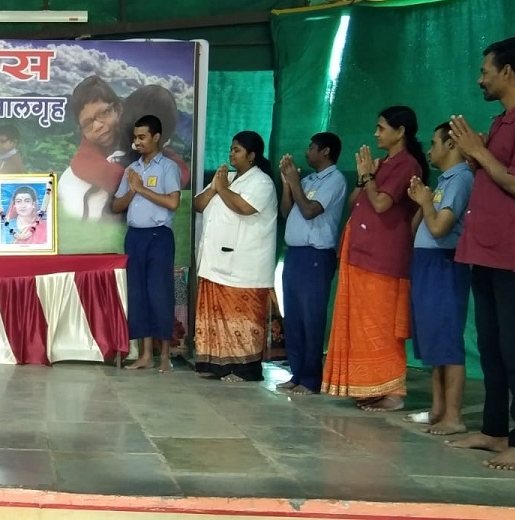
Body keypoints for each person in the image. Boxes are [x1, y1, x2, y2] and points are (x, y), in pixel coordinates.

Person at [446, 37, 515, 471]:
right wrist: (477, 157)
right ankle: (494, 431)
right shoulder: (502, 121)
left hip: (514, 253)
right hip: (485, 249)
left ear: (508, 72)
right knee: (489, 345)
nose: (480, 79)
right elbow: (495, 174)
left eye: (485, 71)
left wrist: (479, 153)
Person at [322, 106, 428, 412]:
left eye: (381, 128)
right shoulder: (385, 164)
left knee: (381, 326)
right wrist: (364, 178)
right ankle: (369, 386)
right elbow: (356, 202)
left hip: (384, 259)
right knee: (359, 324)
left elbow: (381, 204)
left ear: (401, 131)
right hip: (361, 253)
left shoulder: (407, 165)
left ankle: (392, 392)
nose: (376, 133)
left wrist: (370, 176)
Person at [191, 131, 278, 382]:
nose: (231, 154)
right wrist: (215, 188)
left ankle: (244, 370)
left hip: (244, 268)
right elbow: (198, 204)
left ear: (252, 156)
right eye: (231, 148)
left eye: (237, 150)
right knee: (215, 317)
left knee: (242, 319)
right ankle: (215, 365)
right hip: (214, 263)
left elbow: (244, 207)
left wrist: (221, 189)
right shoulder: (226, 178)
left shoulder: (261, 182)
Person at [405, 122, 474, 436]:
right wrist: (422, 201)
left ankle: (454, 416)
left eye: (434, 143)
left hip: (444, 264)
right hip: (425, 262)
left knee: (447, 339)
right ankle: (437, 410)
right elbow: (417, 229)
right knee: (433, 338)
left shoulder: (461, 179)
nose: (429, 149)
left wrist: (425, 202)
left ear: (451, 145)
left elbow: (439, 228)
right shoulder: (443, 182)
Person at [276, 133, 347, 395]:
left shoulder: (335, 180)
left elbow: (309, 210)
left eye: (311, 147)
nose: (307, 152)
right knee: (293, 318)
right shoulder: (307, 180)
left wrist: (295, 182)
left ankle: (311, 379)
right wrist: (287, 184)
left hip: (315, 256)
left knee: (311, 318)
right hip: (295, 255)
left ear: (325, 151)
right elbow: (287, 211)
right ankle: (297, 373)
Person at [111, 115, 182, 371]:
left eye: (142, 137)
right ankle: (145, 355)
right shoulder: (132, 170)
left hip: (159, 237)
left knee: (159, 294)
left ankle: (164, 358)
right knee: (138, 295)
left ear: (156, 137)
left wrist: (141, 189)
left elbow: (173, 202)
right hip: (135, 237)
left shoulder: (168, 168)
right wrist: (132, 189)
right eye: (135, 137)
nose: (137, 142)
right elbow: (116, 205)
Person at [57, 76, 125, 221]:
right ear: (82, 131)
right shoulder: (71, 176)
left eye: (103, 113)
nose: (97, 126)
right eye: (88, 124)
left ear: (118, 109)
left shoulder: (143, 148)